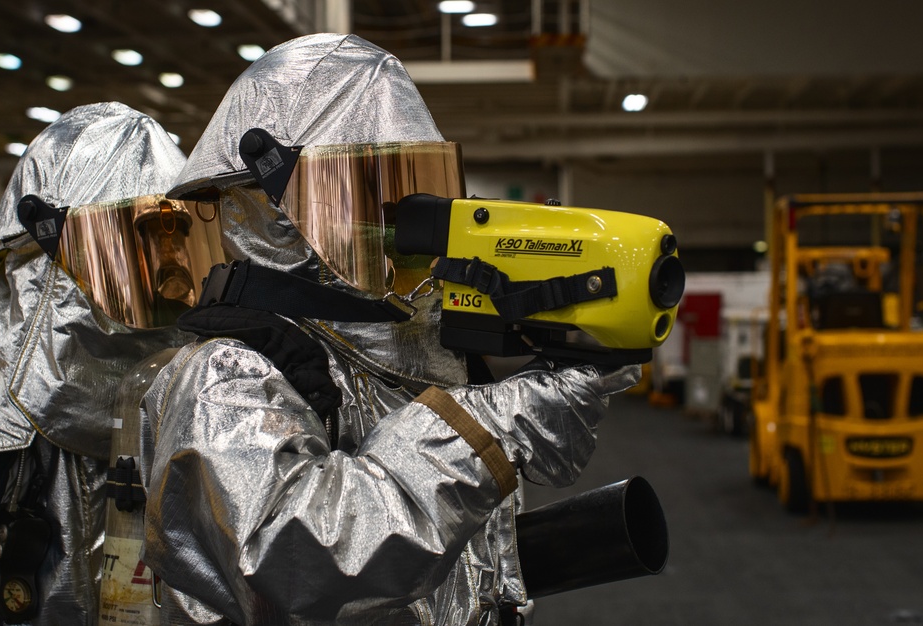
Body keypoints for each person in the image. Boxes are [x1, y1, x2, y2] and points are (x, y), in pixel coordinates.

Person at [140, 33, 640, 625]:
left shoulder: (408, 347)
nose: (399, 225)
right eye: (365, 195)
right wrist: (501, 422)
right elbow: (303, 565)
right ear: (266, 210)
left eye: (411, 191)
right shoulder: (224, 377)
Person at [0, 102, 222, 625]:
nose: (162, 272)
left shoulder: (210, 378)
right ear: (44, 247)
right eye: (132, 247)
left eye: (173, 243)